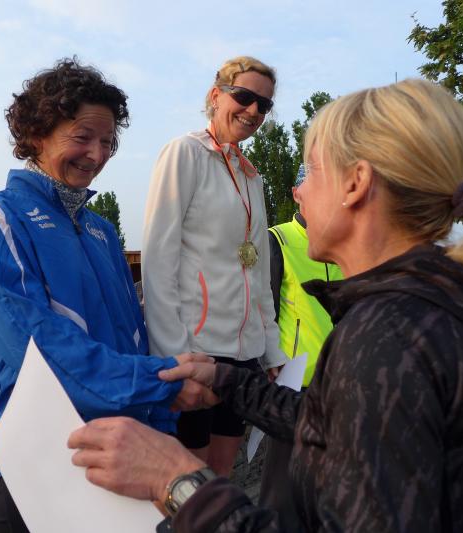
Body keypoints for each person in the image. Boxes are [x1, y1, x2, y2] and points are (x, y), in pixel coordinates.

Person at [68, 79, 463, 532]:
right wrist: (228, 381)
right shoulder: (434, 310)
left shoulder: (392, 337)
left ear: (355, 184)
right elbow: (345, 430)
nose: (299, 190)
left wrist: (178, 483)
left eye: (312, 170)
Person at [0, 58, 210, 532]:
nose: (96, 155)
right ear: (37, 134)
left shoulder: (102, 231)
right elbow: (40, 356)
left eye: (108, 141)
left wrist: (164, 426)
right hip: (43, 470)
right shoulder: (0, 217)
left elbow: (134, 342)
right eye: (82, 137)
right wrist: (166, 381)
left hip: (122, 460)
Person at [141, 56, 288, 476]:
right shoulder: (185, 153)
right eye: (244, 97)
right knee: (189, 482)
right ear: (216, 95)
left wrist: (271, 349)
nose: (254, 111)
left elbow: (256, 272)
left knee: (222, 477)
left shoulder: (251, 176)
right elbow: (157, 261)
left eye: (264, 104)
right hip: (198, 349)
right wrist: (174, 357)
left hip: (244, 355)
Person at [260, 167, 343, 530]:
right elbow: (265, 307)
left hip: (340, 383)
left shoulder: (342, 244)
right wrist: (269, 361)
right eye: (313, 187)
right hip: (295, 380)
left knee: (332, 486)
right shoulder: (278, 238)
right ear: (296, 193)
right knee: (283, 489)